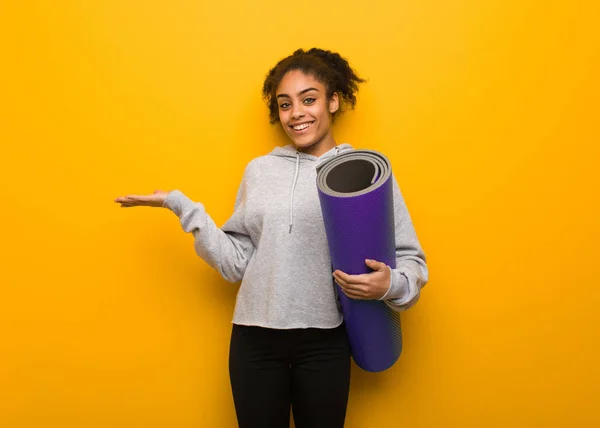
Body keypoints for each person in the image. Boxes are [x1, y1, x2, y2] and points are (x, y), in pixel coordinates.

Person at [115, 47, 428, 428]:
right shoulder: (260, 172)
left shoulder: (366, 172)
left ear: (333, 101)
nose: (296, 113)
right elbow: (235, 264)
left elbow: (411, 263)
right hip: (254, 340)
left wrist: (386, 285)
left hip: (324, 341)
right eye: (285, 104)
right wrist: (183, 208)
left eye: (308, 99)